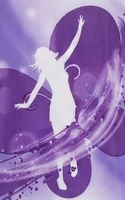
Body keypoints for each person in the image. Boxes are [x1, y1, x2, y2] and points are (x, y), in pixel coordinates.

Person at [15, 15, 85, 190]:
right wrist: (26, 104)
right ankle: (62, 174)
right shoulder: (50, 69)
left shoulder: (55, 66)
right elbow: (36, 89)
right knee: (63, 140)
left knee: (66, 139)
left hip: (65, 103)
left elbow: (72, 47)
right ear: (46, 57)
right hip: (61, 104)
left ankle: (71, 162)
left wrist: (80, 29)